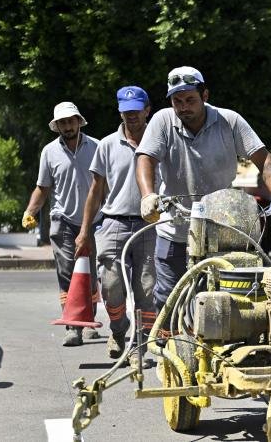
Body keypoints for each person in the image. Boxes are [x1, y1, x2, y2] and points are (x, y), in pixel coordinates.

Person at [135, 66, 271, 310]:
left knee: (223, 300)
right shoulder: (163, 121)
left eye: (190, 100)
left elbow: (265, 160)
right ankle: (165, 341)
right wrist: (148, 195)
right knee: (168, 300)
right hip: (175, 227)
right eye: (177, 101)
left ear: (205, 96)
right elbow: (145, 158)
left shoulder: (229, 121)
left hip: (221, 231)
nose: (184, 107)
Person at [74, 86, 157, 362]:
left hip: (150, 226)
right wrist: (85, 232)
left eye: (136, 110)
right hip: (113, 224)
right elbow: (96, 191)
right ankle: (119, 329)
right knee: (111, 286)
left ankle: (140, 346)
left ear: (147, 111)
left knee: (146, 289)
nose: (131, 115)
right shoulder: (107, 145)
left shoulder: (160, 142)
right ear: (119, 111)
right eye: (126, 111)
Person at [22, 102, 100, 347]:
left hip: (95, 221)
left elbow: (105, 185)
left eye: (71, 121)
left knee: (92, 274)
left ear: (79, 121)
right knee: (67, 273)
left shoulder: (97, 147)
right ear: (57, 127)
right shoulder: (49, 152)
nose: (67, 126)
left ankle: (89, 321)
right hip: (62, 220)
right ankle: (72, 325)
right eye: (62, 123)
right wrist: (30, 210)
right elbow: (42, 188)